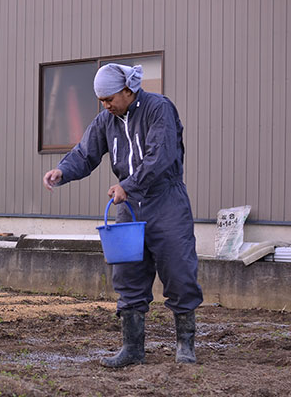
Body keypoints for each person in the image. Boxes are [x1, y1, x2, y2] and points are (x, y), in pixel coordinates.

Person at [43, 63, 203, 367]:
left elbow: (161, 155)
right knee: (128, 273)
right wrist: (62, 171)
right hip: (129, 207)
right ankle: (132, 348)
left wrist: (128, 185)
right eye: (101, 101)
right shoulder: (108, 119)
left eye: (109, 99)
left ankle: (185, 346)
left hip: (165, 199)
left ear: (129, 90)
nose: (105, 106)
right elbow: (84, 152)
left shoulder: (159, 109)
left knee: (178, 268)